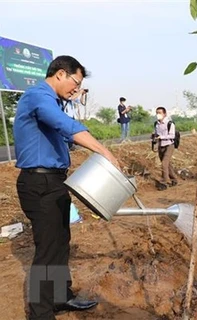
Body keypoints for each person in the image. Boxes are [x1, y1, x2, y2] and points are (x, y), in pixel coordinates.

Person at [13, 55, 119, 320]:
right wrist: (102, 150)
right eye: (76, 82)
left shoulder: (55, 101)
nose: (76, 89)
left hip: (55, 181)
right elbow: (65, 126)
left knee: (61, 243)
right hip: (39, 183)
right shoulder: (38, 96)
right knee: (47, 250)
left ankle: (61, 296)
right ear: (61, 74)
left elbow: (62, 131)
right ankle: (40, 313)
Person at [153, 106, 178, 190]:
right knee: (168, 165)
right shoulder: (156, 124)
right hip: (161, 146)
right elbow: (156, 134)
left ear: (165, 114)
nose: (158, 115)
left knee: (164, 164)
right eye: (157, 113)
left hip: (169, 145)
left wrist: (161, 137)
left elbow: (172, 135)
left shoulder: (170, 123)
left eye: (160, 113)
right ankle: (174, 179)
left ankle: (166, 182)